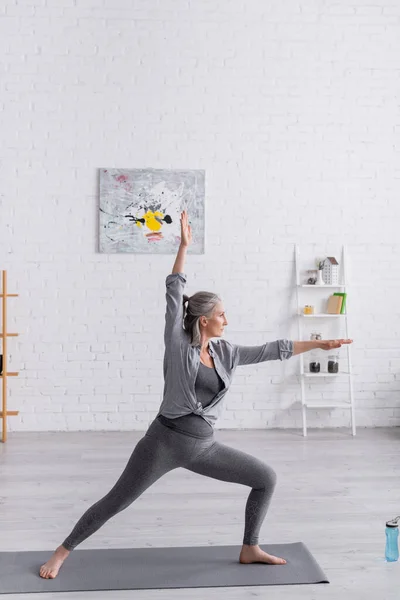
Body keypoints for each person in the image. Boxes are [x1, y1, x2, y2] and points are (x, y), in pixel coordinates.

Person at [40, 210, 353, 579]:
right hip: (163, 444)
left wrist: (317, 346)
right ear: (204, 319)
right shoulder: (178, 346)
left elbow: (273, 349)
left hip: (205, 448)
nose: (227, 320)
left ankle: (250, 547)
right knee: (116, 502)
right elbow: (174, 290)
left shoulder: (226, 353)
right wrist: (184, 246)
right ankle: (61, 553)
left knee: (266, 478)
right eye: (222, 314)